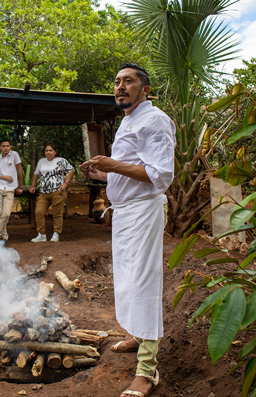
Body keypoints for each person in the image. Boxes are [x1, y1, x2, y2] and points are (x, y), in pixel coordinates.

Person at [79, 63, 175, 397]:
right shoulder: (128, 121)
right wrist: (101, 174)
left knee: (144, 281)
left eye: (129, 81)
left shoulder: (155, 120)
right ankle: (137, 333)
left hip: (144, 212)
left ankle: (147, 371)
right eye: (117, 82)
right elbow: (131, 171)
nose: (120, 87)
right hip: (123, 214)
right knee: (128, 278)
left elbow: (161, 174)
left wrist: (110, 163)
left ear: (145, 89)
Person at [29, 143, 75, 243]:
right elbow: (36, 174)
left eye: (50, 150)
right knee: (39, 212)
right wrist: (33, 186)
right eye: (46, 150)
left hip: (57, 191)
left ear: (55, 152)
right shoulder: (41, 161)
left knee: (57, 214)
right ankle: (41, 235)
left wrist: (66, 183)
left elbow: (72, 170)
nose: (48, 152)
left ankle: (56, 233)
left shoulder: (61, 161)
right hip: (44, 192)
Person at [0, 139, 23, 241]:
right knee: (0, 214)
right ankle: (4, 237)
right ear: (0, 147)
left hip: (10, 188)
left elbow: (19, 170)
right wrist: (4, 177)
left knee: (7, 213)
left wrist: (20, 186)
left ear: (10, 147)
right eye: (3, 146)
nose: (5, 148)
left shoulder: (14, 155)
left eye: (7, 146)